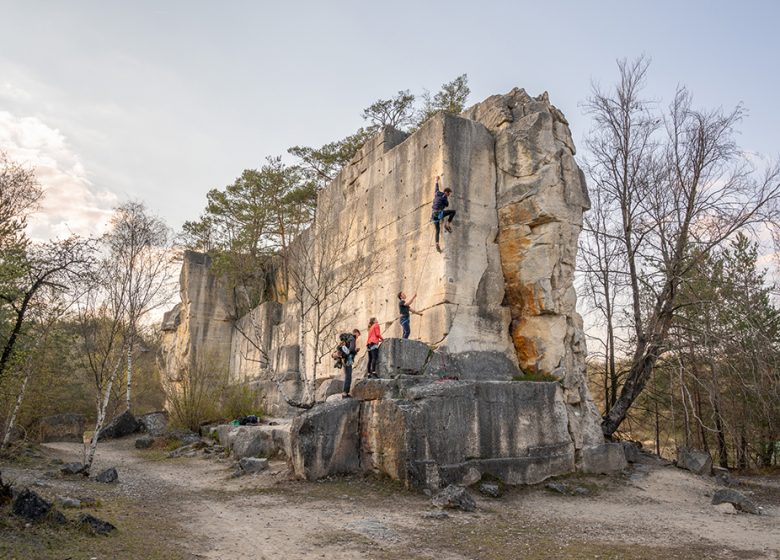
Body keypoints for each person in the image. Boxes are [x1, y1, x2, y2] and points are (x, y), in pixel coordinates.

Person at [431, 175, 455, 252]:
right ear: (446, 192)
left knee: (437, 230)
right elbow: (447, 204)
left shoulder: (437, 193)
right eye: (449, 194)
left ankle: (437, 244)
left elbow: (436, 188)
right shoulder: (445, 197)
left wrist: (436, 180)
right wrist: (446, 200)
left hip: (433, 215)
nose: (449, 195)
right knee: (453, 212)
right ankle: (447, 225)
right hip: (438, 214)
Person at [339, 329, 361, 398]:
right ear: (355, 333)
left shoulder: (348, 338)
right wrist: (356, 351)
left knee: (347, 376)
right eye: (358, 334)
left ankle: (345, 392)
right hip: (348, 359)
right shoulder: (352, 339)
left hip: (344, 359)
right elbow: (350, 350)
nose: (358, 336)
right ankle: (345, 393)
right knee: (348, 376)